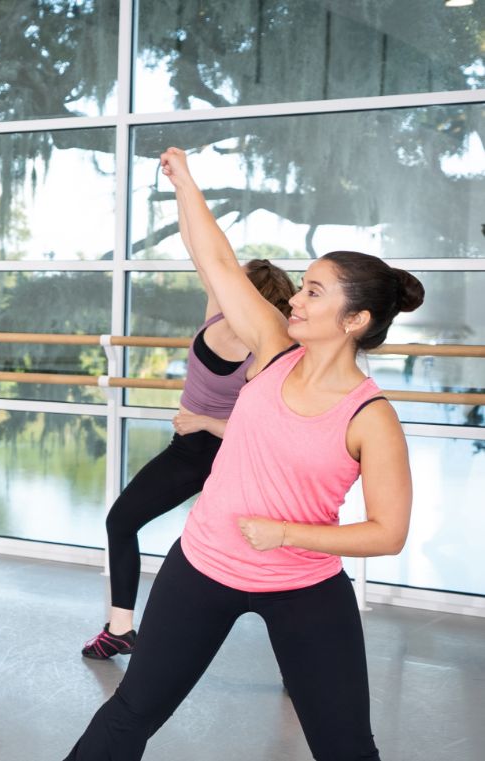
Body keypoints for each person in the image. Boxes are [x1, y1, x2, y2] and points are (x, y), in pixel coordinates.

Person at [65, 147, 423, 761]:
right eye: (301, 289)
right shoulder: (273, 349)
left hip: (304, 586)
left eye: (313, 293)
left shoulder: (372, 417)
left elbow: (388, 532)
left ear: (356, 319)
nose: (296, 301)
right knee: (130, 714)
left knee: (345, 746)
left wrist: (287, 533)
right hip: (203, 566)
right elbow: (219, 263)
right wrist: (185, 185)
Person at [82, 257, 296, 659]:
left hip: (236, 456)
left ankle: (297, 660)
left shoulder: (270, 349)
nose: (224, 290)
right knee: (122, 521)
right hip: (189, 452)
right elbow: (205, 255)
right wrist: (184, 192)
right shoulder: (216, 314)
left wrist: (204, 421)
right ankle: (120, 629)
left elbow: (263, 430)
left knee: (269, 558)